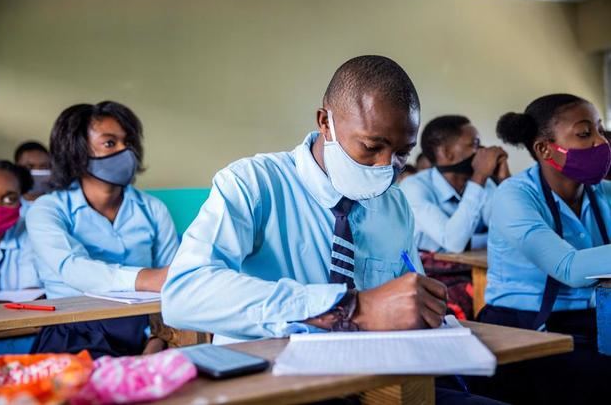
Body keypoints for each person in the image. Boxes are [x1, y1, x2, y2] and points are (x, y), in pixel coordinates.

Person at [163, 55, 503, 405]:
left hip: (373, 381)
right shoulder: (253, 183)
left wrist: (424, 310)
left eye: (402, 153)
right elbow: (184, 293)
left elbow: (406, 292)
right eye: (372, 147)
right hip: (270, 386)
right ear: (326, 122)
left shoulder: (395, 204)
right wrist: (350, 308)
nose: (387, 167)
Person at [474, 94, 611, 404]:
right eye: (585, 133)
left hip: (593, 319)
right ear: (544, 148)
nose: (600, 142)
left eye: (601, 130)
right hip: (525, 326)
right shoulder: (514, 196)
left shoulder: (601, 193)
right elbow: (570, 268)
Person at [26, 101, 178, 358]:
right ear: (77, 151)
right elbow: (73, 268)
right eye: (110, 143)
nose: (125, 151)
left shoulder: (153, 209)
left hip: (145, 335)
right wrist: (147, 278)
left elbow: (174, 280)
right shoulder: (47, 210)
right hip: (72, 335)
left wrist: (157, 342)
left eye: (128, 142)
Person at [400, 116, 510, 319]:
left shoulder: (485, 185)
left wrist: (505, 182)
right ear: (446, 153)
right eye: (474, 144)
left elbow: (511, 232)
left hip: (477, 272)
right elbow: (454, 242)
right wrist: (478, 178)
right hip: (430, 277)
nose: (482, 152)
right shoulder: (414, 188)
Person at [0, 158, 40, 354]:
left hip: (12, 338)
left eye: (9, 198)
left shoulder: (27, 234)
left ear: (21, 202)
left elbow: (31, 293)